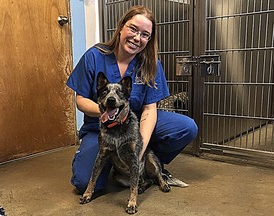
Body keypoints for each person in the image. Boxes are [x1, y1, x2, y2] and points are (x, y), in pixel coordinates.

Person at [66, 5, 198, 193]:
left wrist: (138, 151)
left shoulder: (150, 65)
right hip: (101, 127)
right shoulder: (94, 56)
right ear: (121, 27)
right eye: (133, 29)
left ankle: (147, 166)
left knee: (186, 128)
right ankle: (113, 163)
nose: (137, 38)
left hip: (133, 125)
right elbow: (81, 100)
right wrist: (109, 114)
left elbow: (150, 109)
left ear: (149, 39)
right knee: (82, 182)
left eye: (145, 34)